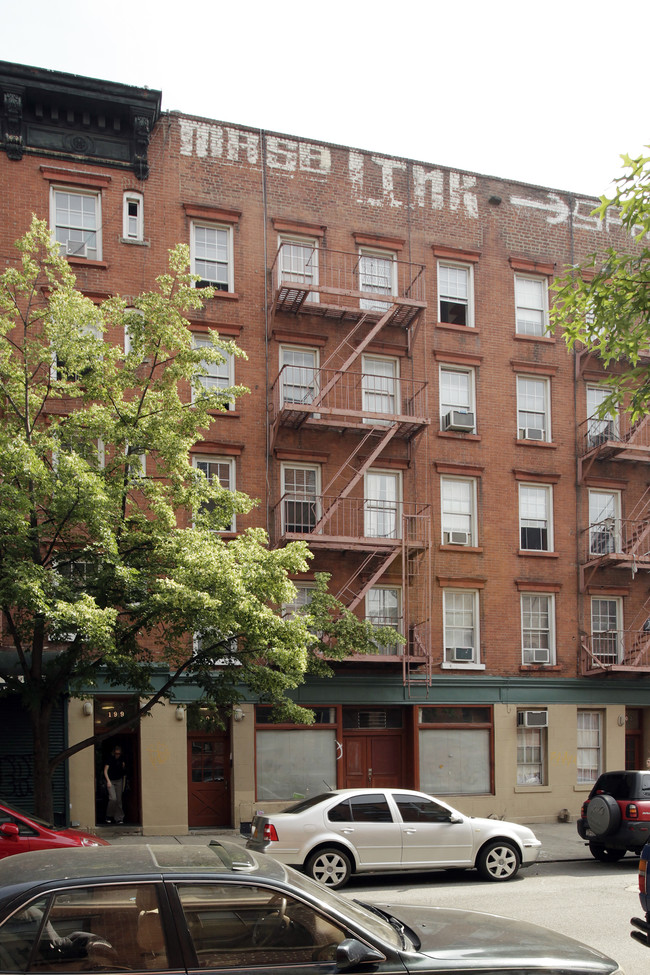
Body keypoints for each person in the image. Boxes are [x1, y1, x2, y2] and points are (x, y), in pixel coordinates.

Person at [103, 744, 126, 824]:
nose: (117, 755)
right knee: (113, 798)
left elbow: (124, 770)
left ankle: (119, 818)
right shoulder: (110, 759)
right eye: (116, 753)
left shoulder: (122, 759)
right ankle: (109, 815)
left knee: (119, 800)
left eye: (119, 754)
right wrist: (108, 781)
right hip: (111, 780)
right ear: (114, 753)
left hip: (119, 780)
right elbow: (105, 770)